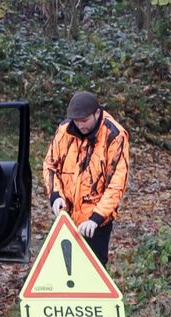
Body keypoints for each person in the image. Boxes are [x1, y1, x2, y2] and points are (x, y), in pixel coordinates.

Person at [42, 91, 130, 265]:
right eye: (77, 121)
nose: (80, 125)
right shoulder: (65, 130)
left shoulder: (114, 135)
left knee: (93, 273)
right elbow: (50, 165)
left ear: (97, 113)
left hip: (96, 221)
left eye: (84, 121)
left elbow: (117, 183)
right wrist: (55, 195)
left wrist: (96, 218)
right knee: (65, 270)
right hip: (66, 216)